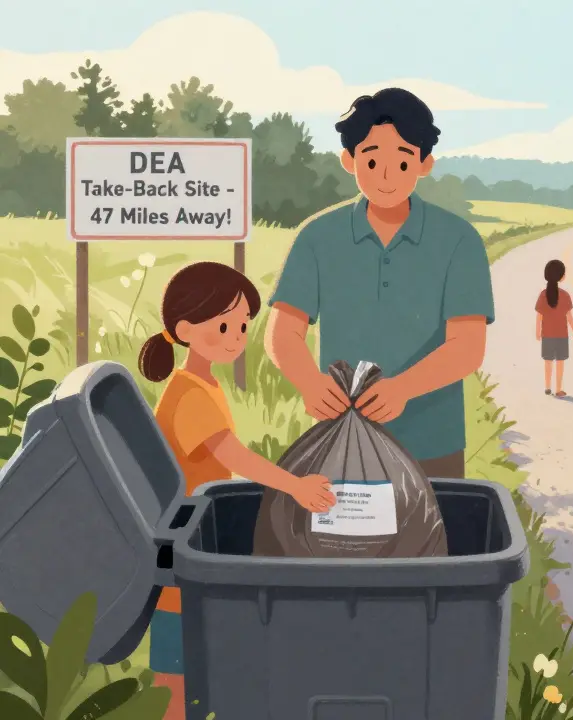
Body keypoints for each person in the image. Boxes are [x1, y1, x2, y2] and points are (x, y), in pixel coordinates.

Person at [139, 261, 337, 718]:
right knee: (175, 670)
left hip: (194, 538)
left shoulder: (203, 383)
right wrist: (295, 487)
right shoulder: (188, 394)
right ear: (186, 329)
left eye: (244, 324)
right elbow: (235, 457)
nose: (237, 336)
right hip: (179, 550)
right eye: (224, 324)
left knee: (198, 659)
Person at [267, 88, 495, 481]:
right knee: (341, 542)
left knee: (434, 542)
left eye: (403, 160)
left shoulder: (459, 240)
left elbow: (467, 347)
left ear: (425, 164)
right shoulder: (316, 237)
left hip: (432, 445)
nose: (387, 175)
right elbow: (284, 331)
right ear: (348, 160)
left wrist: (402, 389)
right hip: (340, 439)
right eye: (371, 160)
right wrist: (308, 383)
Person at [535, 259, 573, 397]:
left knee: (548, 362)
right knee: (560, 363)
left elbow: (539, 316)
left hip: (547, 334)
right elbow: (569, 317)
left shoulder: (542, 294)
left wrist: (537, 332)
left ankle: (547, 387)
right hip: (562, 335)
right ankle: (558, 389)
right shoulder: (565, 295)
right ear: (561, 276)